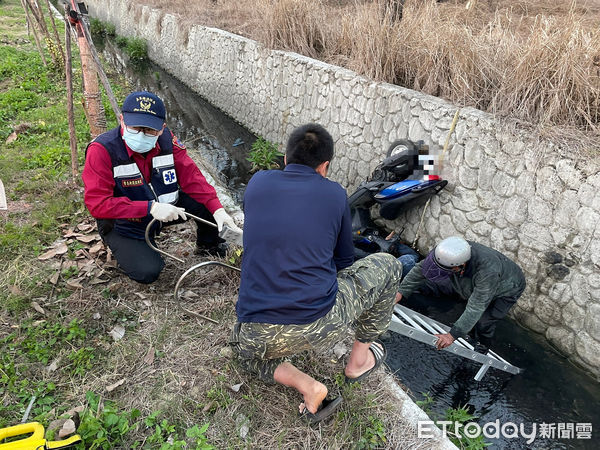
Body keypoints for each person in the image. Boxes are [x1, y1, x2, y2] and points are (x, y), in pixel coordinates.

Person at [230, 123, 403, 425]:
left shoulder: (257, 183)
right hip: (322, 322)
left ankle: (308, 385)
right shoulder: (335, 194)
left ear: (285, 159)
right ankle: (358, 363)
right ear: (325, 167)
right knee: (389, 266)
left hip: (257, 332)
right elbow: (345, 261)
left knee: (242, 353)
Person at [82, 91, 241, 284]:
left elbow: (191, 176)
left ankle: (208, 246)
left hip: (166, 206)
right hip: (125, 223)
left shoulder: (167, 141)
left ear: (161, 128)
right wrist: (150, 208)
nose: (142, 134)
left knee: (205, 202)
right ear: (122, 120)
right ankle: (131, 247)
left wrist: (217, 209)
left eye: (150, 130)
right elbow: (98, 204)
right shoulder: (102, 151)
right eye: (135, 127)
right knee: (147, 272)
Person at [396, 236, 526, 351]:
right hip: (468, 279)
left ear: (460, 266)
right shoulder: (445, 251)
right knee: (429, 286)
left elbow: (476, 306)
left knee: (484, 323)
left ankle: (482, 345)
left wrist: (452, 335)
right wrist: (401, 292)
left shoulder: (487, 272)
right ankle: (459, 301)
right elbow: (420, 269)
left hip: (507, 288)